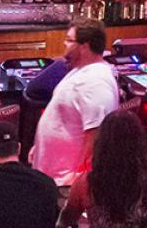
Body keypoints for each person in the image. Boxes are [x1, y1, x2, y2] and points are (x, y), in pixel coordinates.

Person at [29, 23, 118, 187]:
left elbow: (96, 136)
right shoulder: (81, 71)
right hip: (53, 178)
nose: (64, 44)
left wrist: (79, 179)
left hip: (67, 183)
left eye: (69, 40)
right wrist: (41, 147)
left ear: (84, 46)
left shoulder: (96, 81)